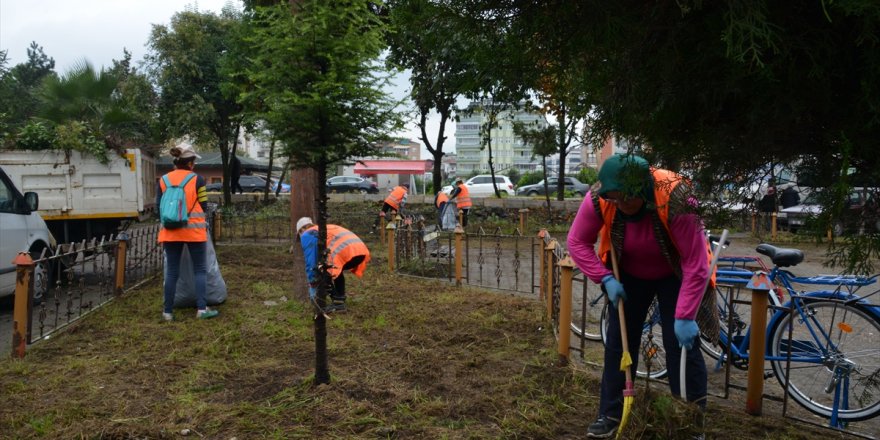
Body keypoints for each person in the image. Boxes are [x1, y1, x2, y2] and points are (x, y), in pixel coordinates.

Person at [567, 154, 716, 438]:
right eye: (614, 199)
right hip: (629, 273)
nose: (619, 205)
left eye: (625, 199)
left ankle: (691, 421)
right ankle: (610, 413)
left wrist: (684, 316)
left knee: (680, 346)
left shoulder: (676, 195)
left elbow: (696, 263)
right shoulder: (600, 197)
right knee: (619, 343)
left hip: (676, 271)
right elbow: (576, 241)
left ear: (642, 191)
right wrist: (605, 277)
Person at [157, 145, 219, 321]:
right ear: (191, 163)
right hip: (194, 232)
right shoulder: (197, 180)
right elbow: (204, 205)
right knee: (200, 270)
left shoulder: (163, 180)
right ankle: (201, 309)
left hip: (170, 231)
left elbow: (157, 207)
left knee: (171, 272)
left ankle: (167, 312)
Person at [296, 217, 370, 313]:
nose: (301, 238)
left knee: (323, 272)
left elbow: (311, 260)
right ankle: (339, 302)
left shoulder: (307, 234)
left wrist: (312, 281)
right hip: (359, 250)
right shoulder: (322, 229)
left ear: (302, 229)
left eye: (299, 235)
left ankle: (336, 303)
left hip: (345, 250)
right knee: (336, 271)